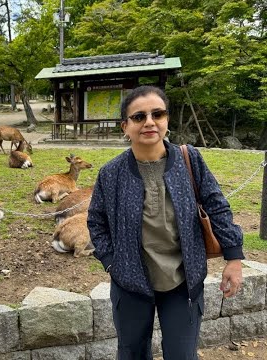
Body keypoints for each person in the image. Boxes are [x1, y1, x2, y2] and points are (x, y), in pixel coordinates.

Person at [87, 85, 244, 359]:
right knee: (132, 352)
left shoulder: (189, 159)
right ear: (125, 126)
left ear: (166, 120)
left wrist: (233, 258)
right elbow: (96, 221)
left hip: (183, 281)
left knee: (182, 354)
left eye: (157, 114)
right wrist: (112, 262)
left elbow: (216, 205)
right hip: (130, 282)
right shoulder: (111, 173)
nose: (149, 122)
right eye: (139, 117)